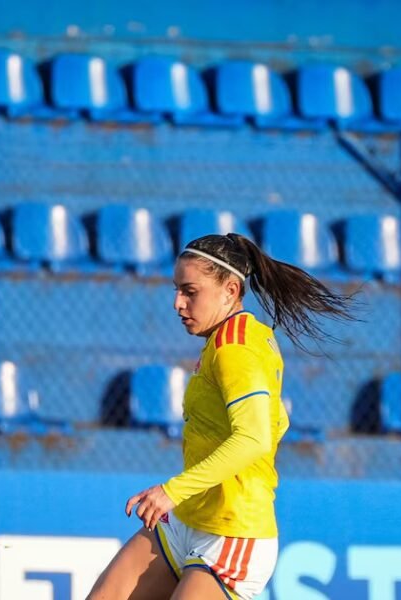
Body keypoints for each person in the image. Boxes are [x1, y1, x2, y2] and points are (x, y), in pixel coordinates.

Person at [89, 232, 355, 600]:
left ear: (230, 290)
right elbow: (274, 420)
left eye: (190, 291)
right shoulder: (227, 339)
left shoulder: (236, 347)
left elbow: (254, 437)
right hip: (187, 518)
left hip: (232, 533)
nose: (177, 303)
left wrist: (171, 491)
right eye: (176, 290)